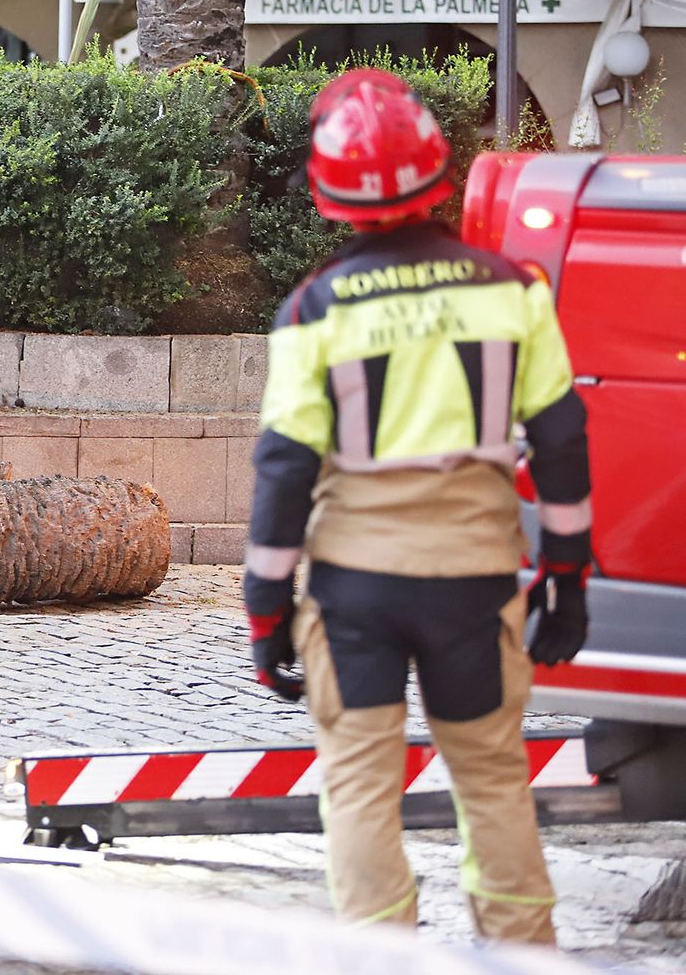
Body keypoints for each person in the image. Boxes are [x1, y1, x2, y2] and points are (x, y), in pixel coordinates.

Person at [243, 68, 591, 945]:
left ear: (329, 197)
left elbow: (285, 469)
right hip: (472, 582)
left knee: (358, 781)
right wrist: (566, 577)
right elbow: (561, 441)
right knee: (490, 779)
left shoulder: (312, 310)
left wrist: (264, 613)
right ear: (439, 174)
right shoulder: (512, 291)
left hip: (357, 586)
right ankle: (523, 957)